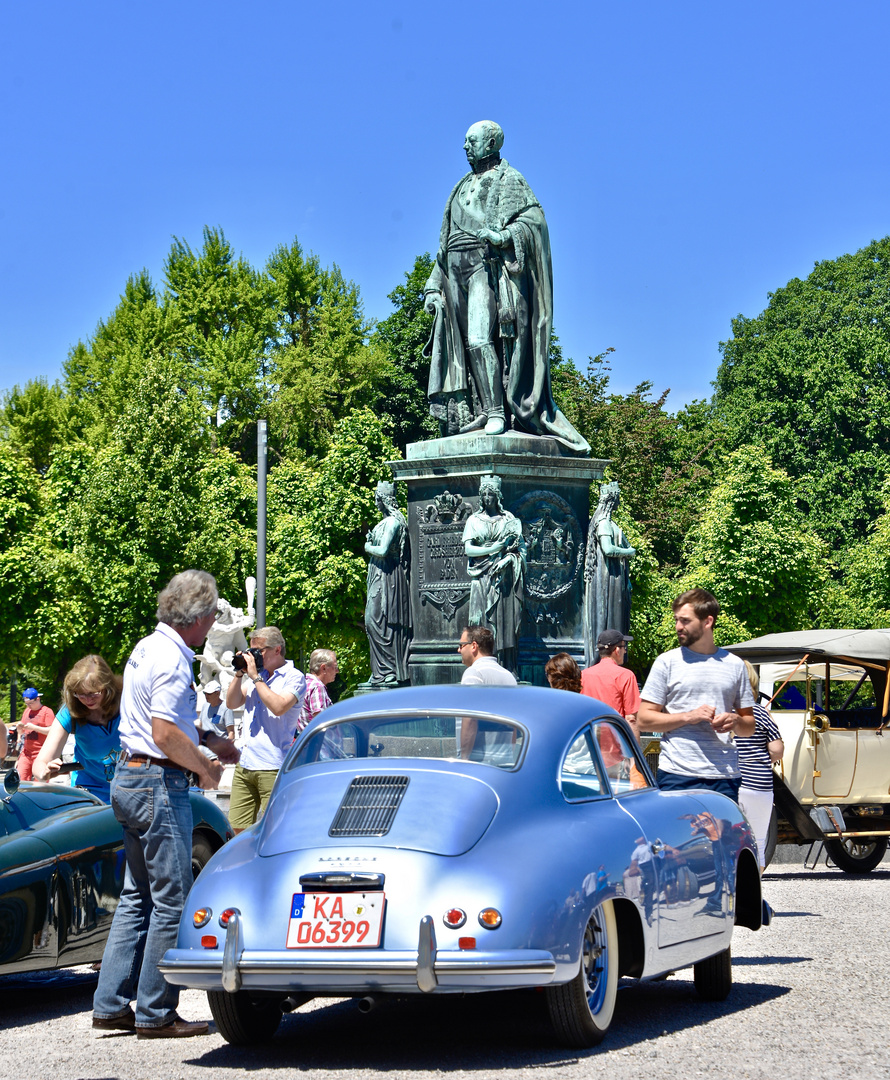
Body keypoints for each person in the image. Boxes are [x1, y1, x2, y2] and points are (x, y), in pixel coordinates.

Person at [92, 569, 239, 1038]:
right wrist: (205, 765)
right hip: (158, 781)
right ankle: (156, 1013)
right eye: (213, 614)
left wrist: (211, 741)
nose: (215, 621)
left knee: (137, 897)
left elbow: (161, 723)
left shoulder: (145, 647)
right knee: (172, 900)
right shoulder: (175, 659)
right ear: (198, 618)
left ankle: (111, 1003)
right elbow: (165, 733)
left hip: (129, 777)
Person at [423, 120, 589, 454]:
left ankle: (498, 412)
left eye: (472, 141)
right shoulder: (459, 187)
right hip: (454, 271)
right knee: (466, 351)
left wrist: (503, 237)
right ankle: (484, 409)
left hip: (486, 266)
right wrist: (432, 286)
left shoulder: (509, 180)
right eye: (465, 141)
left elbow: (533, 222)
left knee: (480, 339)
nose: (466, 146)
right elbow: (443, 247)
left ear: (493, 142)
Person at [638, 589, 755, 802]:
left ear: (707, 621)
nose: (678, 627)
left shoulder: (735, 665)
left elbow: (749, 726)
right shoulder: (666, 662)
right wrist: (688, 716)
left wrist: (735, 720)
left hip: (724, 776)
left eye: (685, 621)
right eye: (676, 620)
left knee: (722, 837)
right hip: (677, 774)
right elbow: (644, 720)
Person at [226, 626, 306, 833]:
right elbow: (232, 703)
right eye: (251, 651)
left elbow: (279, 707)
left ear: (277, 650)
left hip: (272, 765)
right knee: (237, 829)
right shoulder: (256, 676)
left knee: (275, 829)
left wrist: (255, 678)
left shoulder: (294, 677)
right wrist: (239, 673)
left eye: (258, 651)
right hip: (245, 763)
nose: (254, 657)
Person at [32, 655, 123, 802]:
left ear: (108, 687)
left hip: (132, 789)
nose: (88, 700)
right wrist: (44, 772)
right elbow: (40, 763)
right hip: (91, 793)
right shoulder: (69, 712)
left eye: (94, 693)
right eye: (81, 694)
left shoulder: (128, 701)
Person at [462, 474, 526, 672]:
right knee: (480, 622)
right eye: (484, 494)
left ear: (498, 496)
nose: (487, 498)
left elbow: (521, 549)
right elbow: (469, 550)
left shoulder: (509, 519)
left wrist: (508, 559)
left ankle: (506, 667)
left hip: (504, 579)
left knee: (504, 625)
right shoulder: (474, 520)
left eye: (491, 494)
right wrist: (492, 549)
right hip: (481, 578)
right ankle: (481, 665)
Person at [737, 660, 784, 872]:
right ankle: (753, 892)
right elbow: (777, 749)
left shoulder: (722, 713)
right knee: (758, 841)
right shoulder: (761, 713)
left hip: (730, 784)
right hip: (759, 785)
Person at [363, 481, 411, 686]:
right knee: (374, 621)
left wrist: (367, 546)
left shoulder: (392, 522)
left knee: (377, 620)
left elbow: (382, 551)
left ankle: (388, 670)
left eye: (378, 496)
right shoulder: (383, 523)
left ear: (386, 499)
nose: (375, 500)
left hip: (387, 576)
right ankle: (379, 672)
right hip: (378, 573)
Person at [583, 482, 635, 667]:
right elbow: (608, 549)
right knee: (608, 614)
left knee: (615, 615)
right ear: (612, 499)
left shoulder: (611, 523)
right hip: (607, 578)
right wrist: (630, 552)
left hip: (614, 576)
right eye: (618, 496)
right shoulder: (603, 523)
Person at [457, 625, 517, 763]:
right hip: (504, 761)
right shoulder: (509, 677)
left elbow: (470, 718)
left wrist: (464, 759)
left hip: (478, 763)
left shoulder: (473, 673)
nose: (459, 649)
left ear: (473, 646)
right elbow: (514, 725)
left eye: (461, 645)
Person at [581, 629, 641, 738]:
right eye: (624, 647)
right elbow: (631, 719)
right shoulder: (625, 676)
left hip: (589, 745)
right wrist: (634, 754)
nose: (625, 651)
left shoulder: (583, 675)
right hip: (615, 747)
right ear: (617, 650)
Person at [15, 688, 55, 781]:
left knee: (40, 782)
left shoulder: (47, 711)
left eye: (30, 703)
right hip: (26, 753)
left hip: (41, 754)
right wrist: (19, 731)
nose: (28, 706)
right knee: (20, 780)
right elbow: (22, 731)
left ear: (37, 699)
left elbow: (51, 731)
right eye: (27, 704)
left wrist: (35, 728)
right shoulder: (27, 711)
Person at [297, 649, 338, 734]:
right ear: (323, 668)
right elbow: (321, 721)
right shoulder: (317, 687)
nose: (337, 671)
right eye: (335, 667)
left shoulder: (304, 684)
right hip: (320, 744)